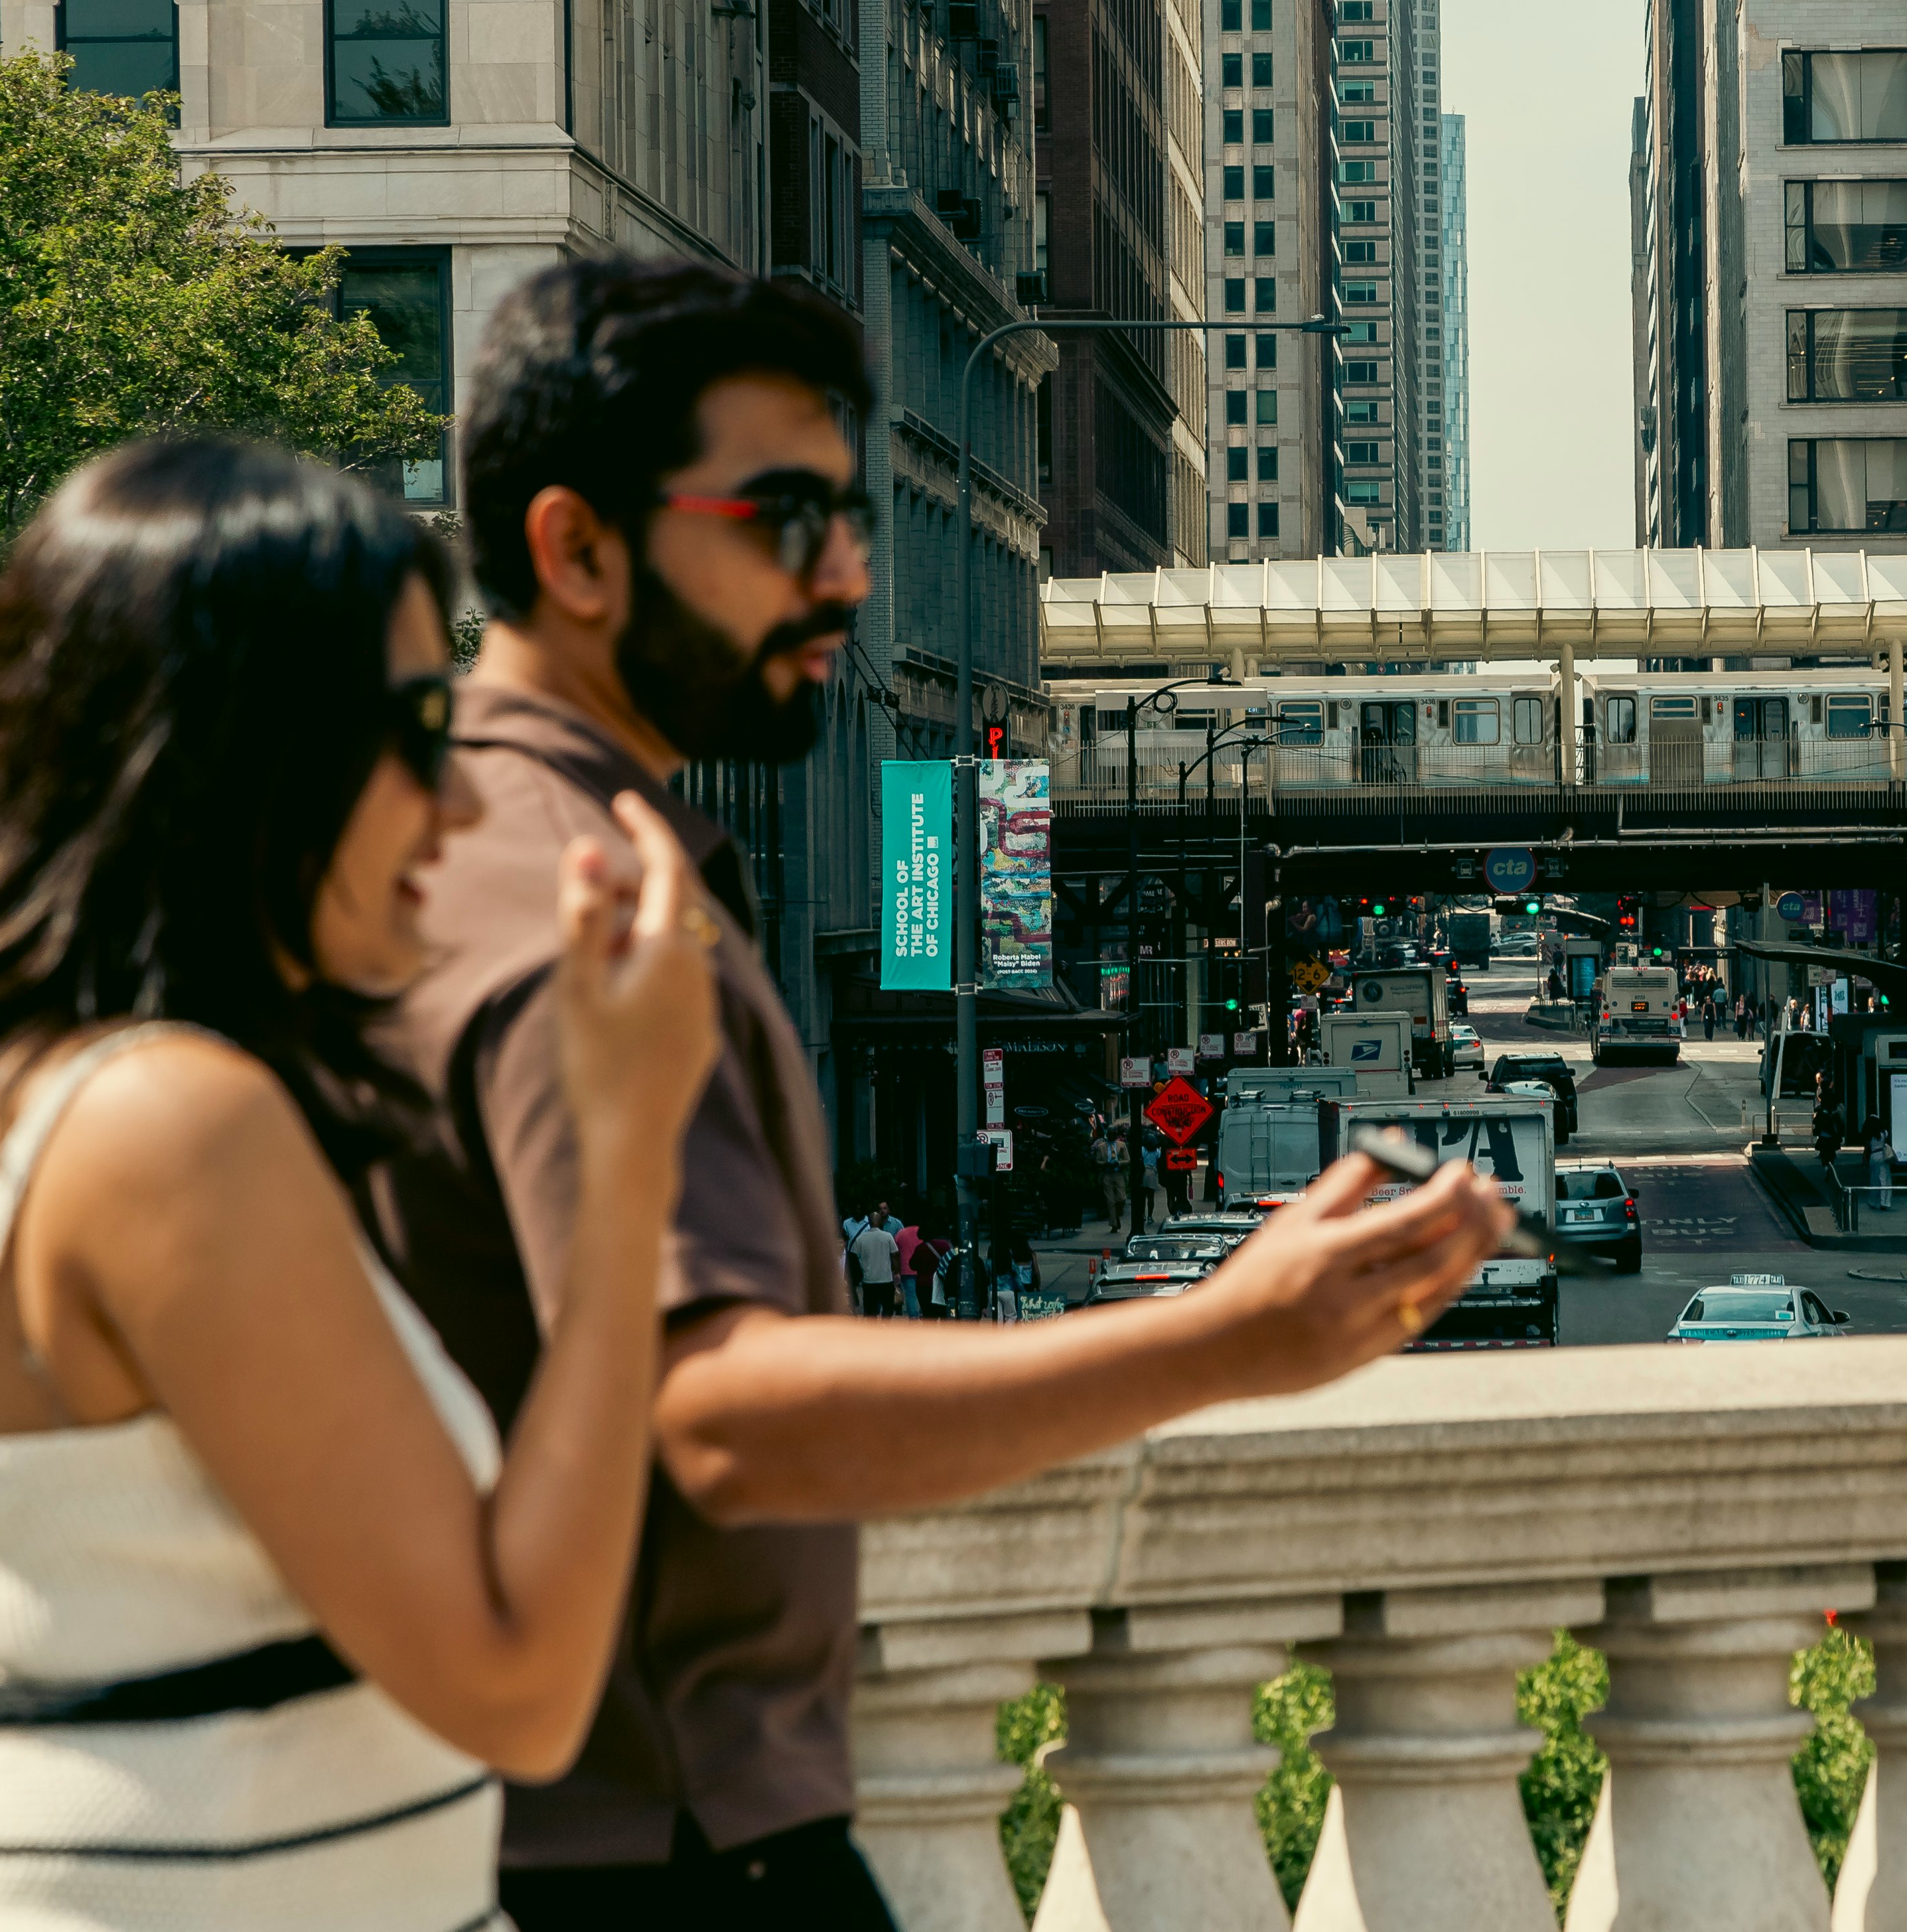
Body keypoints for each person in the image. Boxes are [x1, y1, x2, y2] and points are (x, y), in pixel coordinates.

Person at [372, 257, 1514, 1928]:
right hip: (647, 1856)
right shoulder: (571, 898)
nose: (841, 575)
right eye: (779, 518)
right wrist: (1228, 1337)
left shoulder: (495, 842)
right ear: (577, 547)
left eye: (849, 518)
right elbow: (711, 1413)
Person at [0, 438, 723, 1931]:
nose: (451, 808)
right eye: (417, 728)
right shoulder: (167, 1125)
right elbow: (519, 1690)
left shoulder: (32, 1091)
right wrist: (628, 1148)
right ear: (248, 746)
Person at [846, 1206, 900, 1319]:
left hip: (869, 1279)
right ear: (880, 1222)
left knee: (870, 1309)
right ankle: (885, 1325)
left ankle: (873, 1329)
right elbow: (895, 1255)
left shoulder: (860, 1239)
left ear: (869, 1223)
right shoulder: (888, 1237)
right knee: (887, 1306)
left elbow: (855, 1257)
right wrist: (896, 1273)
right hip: (886, 1278)